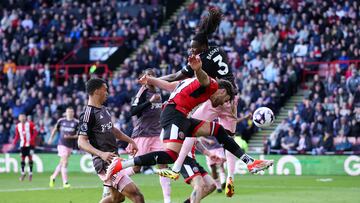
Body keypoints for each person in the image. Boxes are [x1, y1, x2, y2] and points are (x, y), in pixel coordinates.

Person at [106, 55, 273, 190]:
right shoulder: (212, 85)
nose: (223, 103)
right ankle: (122, 164)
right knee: (170, 155)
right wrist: (198, 68)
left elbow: (170, 85)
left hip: (182, 117)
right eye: (225, 99)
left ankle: (250, 162)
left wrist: (151, 80)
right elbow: (204, 79)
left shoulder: (188, 83)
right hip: (173, 115)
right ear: (222, 91)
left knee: (218, 130)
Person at [159, 7, 241, 197]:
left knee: (190, 128)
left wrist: (156, 79)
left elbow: (177, 76)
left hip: (216, 98)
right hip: (231, 97)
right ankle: (230, 178)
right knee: (229, 138)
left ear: (202, 47)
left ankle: (176, 167)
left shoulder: (201, 60)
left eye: (194, 47)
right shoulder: (218, 50)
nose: (191, 50)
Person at [77, 78, 144, 203]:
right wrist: (102, 154)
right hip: (105, 163)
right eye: (105, 90)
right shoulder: (88, 113)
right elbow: (81, 142)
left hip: (114, 159)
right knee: (137, 196)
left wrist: (131, 141)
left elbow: (113, 130)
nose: (107, 93)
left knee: (117, 198)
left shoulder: (104, 109)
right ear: (97, 91)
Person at [123, 68, 171, 203]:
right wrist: (149, 101)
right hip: (142, 134)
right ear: (143, 78)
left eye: (152, 75)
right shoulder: (142, 92)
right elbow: (133, 111)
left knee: (163, 165)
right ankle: (115, 178)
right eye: (147, 75)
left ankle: (167, 200)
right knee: (136, 168)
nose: (150, 77)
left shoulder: (159, 91)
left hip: (156, 134)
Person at [48, 107, 79, 188]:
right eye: (68, 112)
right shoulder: (61, 121)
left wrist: (71, 137)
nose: (70, 113)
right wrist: (51, 138)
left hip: (70, 145)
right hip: (61, 144)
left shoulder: (76, 122)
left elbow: (79, 135)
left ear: (73, 113)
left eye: (71, 112)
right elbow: (55, 129)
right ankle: (65, 182)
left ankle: (53, 177)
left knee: (62, 163)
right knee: (65, 162)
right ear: (66, 113)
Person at [12, 114, 38, 181]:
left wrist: (32, 140)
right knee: (22, 159)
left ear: (25, 118)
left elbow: (35, 132)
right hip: (22, 145)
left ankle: (30, 174)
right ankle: (23, 173)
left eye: (23, 117)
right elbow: (17, 136)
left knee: (30, 159)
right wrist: (14, 143)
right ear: (19, 119)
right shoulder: (18, 126)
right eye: (21, 117)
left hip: (30, 145)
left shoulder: (30, 124)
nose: (22, 118)